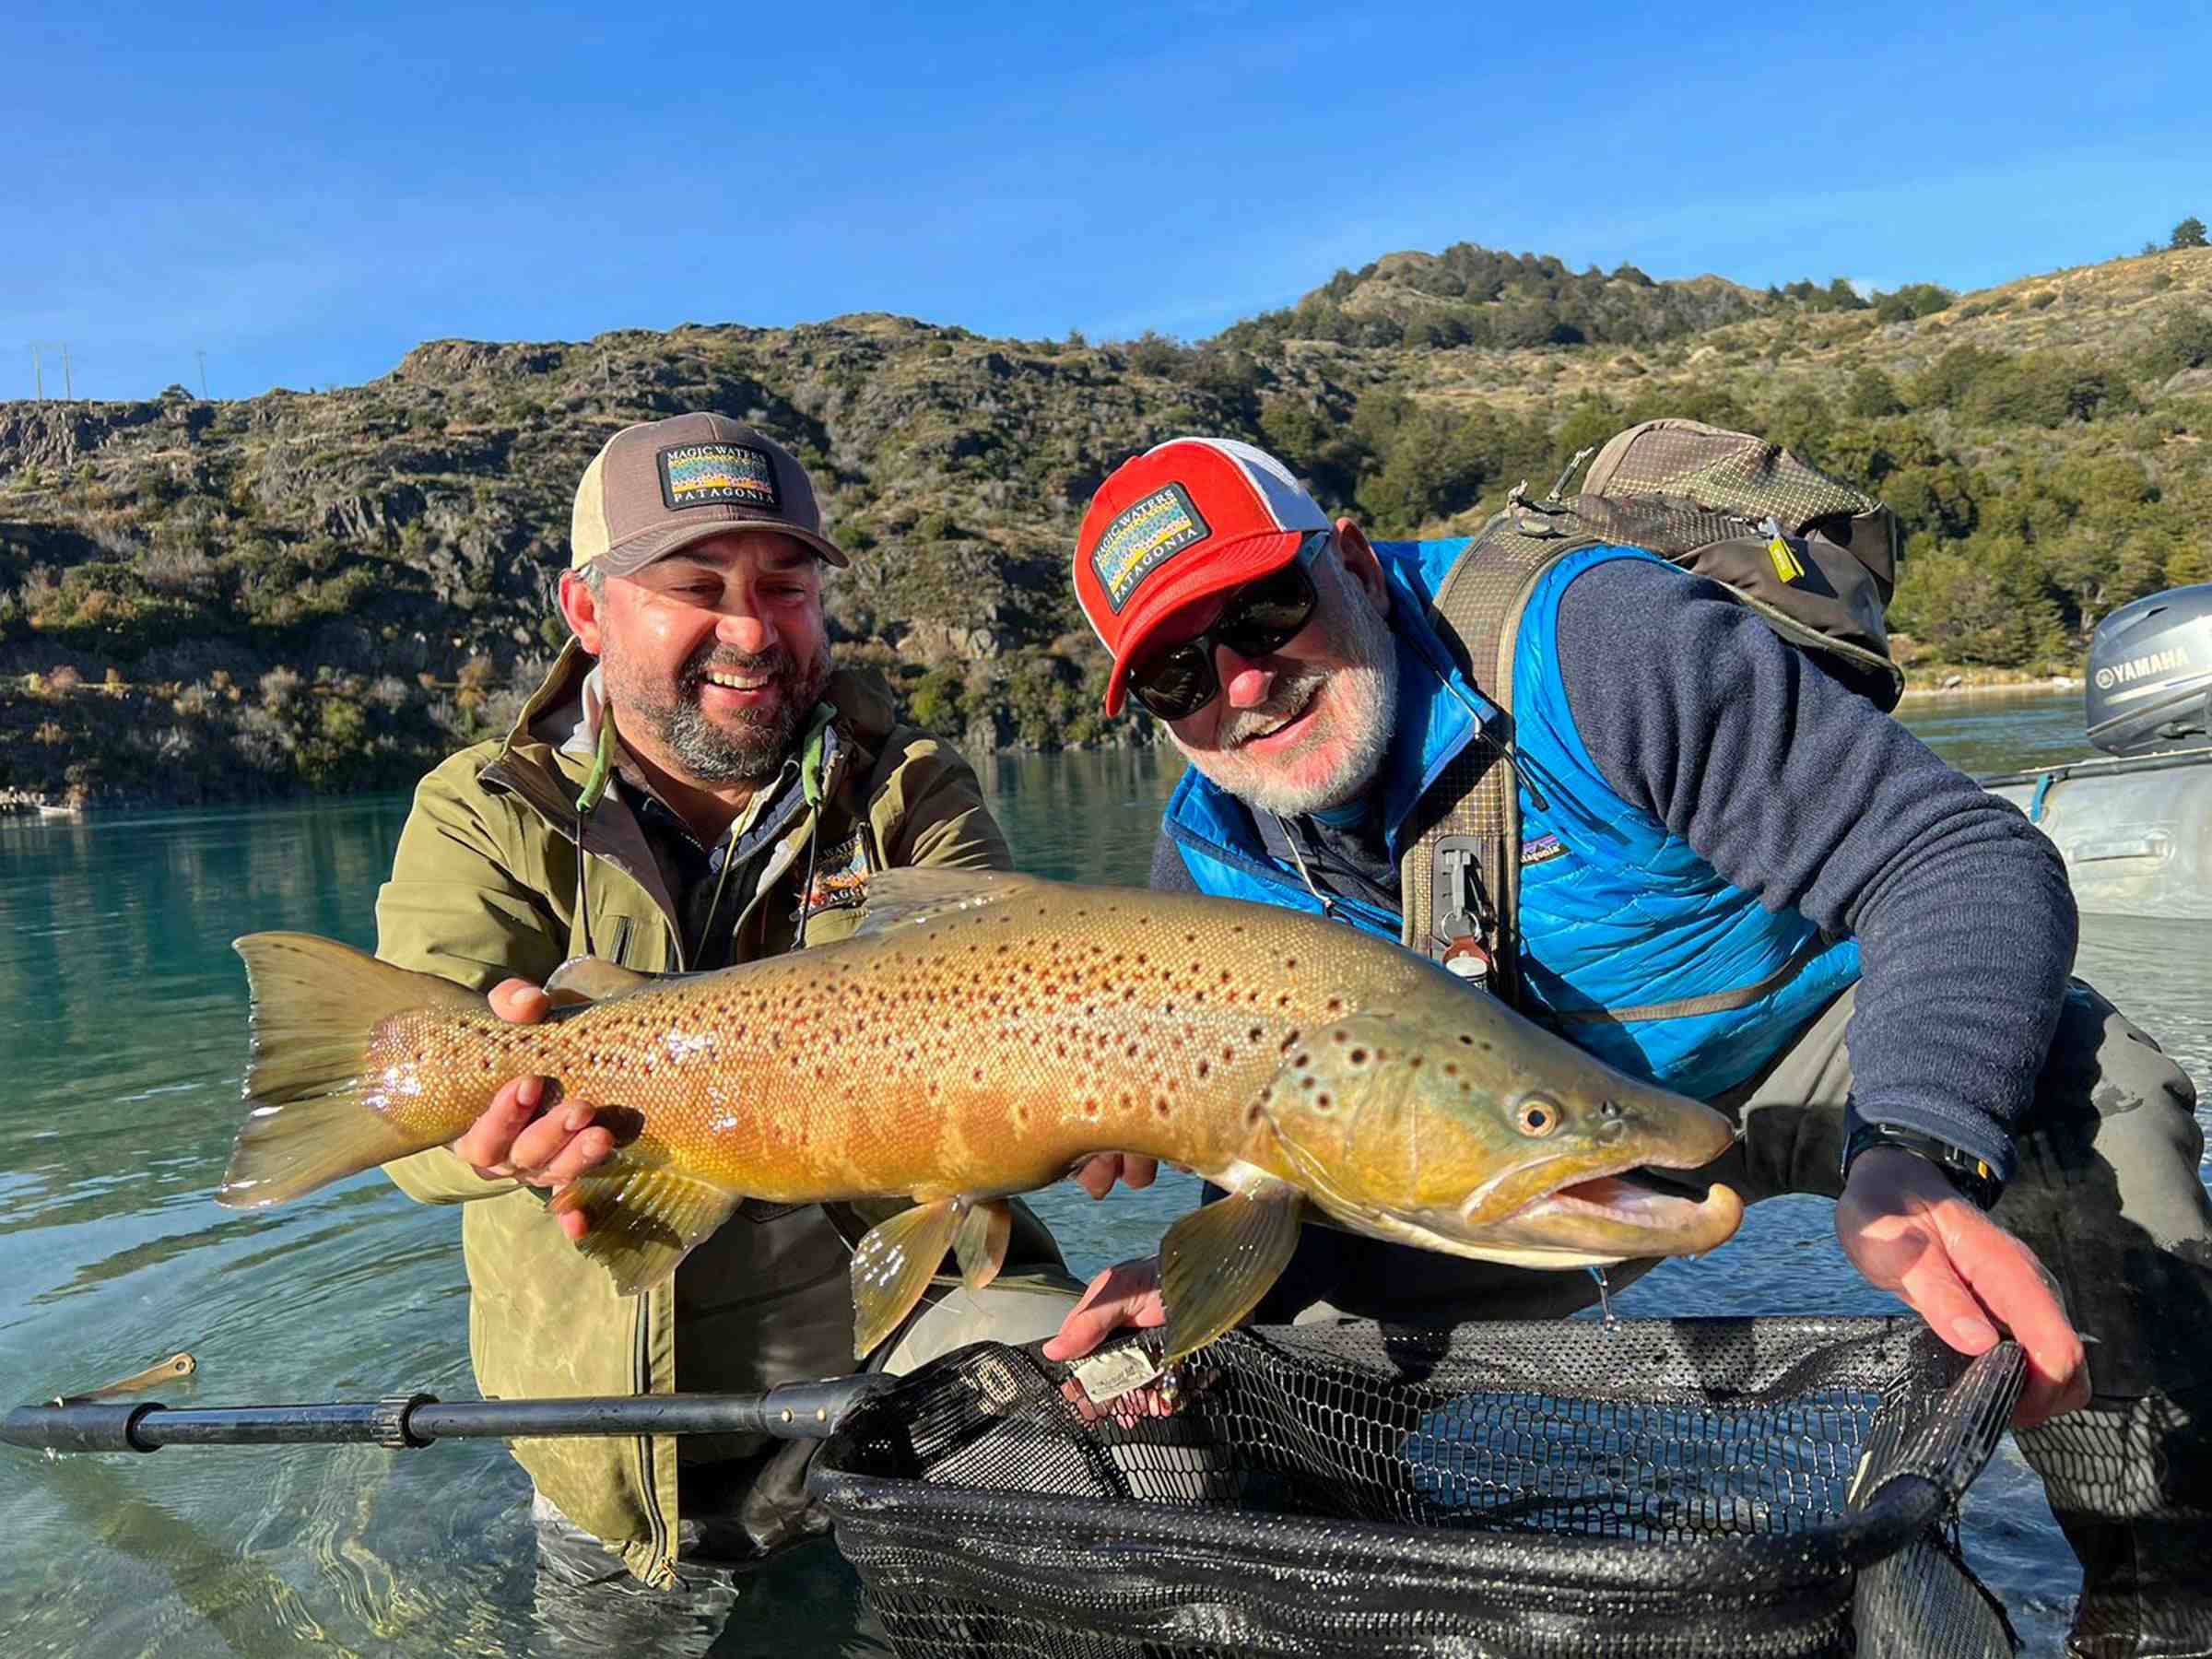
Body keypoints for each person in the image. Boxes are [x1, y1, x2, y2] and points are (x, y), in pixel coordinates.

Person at [1047, 434, 2212, 1659]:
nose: (1240, 686)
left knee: (2086, 1104)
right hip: (1520, 1156)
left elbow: (1954, 856)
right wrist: (1202, 1290)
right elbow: (1282, 1156)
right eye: (1178, 674)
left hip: (1812, 1045)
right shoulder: (1209, 865)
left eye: (1266, 614)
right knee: (1229, 1359)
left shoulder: (1591, 641)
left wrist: (1922, 1142)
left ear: (1352, 562)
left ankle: (2166, 1599)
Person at [372, 412, 1083, 1652]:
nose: (753, 631)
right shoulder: (484, 814)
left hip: (906, 1346)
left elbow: (1014, 1026)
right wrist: (483, 1133)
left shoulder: (910, 789)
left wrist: (1091, 1116)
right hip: (615, 1433)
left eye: (787, 587)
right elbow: (393, 1109)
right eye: (696, 587)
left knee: (1119, 1461)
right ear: (587, 613)